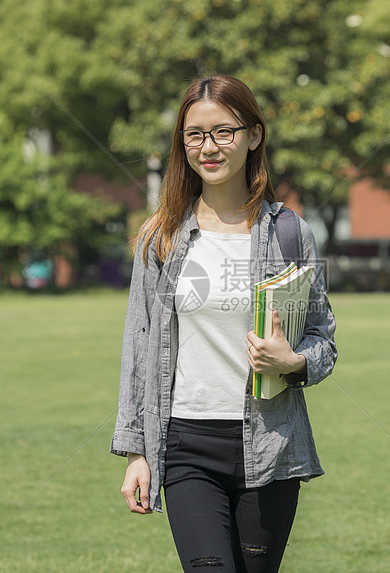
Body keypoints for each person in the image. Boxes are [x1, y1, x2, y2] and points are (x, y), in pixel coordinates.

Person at [110, 74, 337, 573]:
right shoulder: (162, 236)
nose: (207, 147)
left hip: (270, 448)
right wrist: (134, 452)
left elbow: (324, 341)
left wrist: (294, 362)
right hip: (186, 446)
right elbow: (139, 346)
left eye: (222, 132)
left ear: (253, 135)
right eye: (194, 134)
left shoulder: (289, 234)